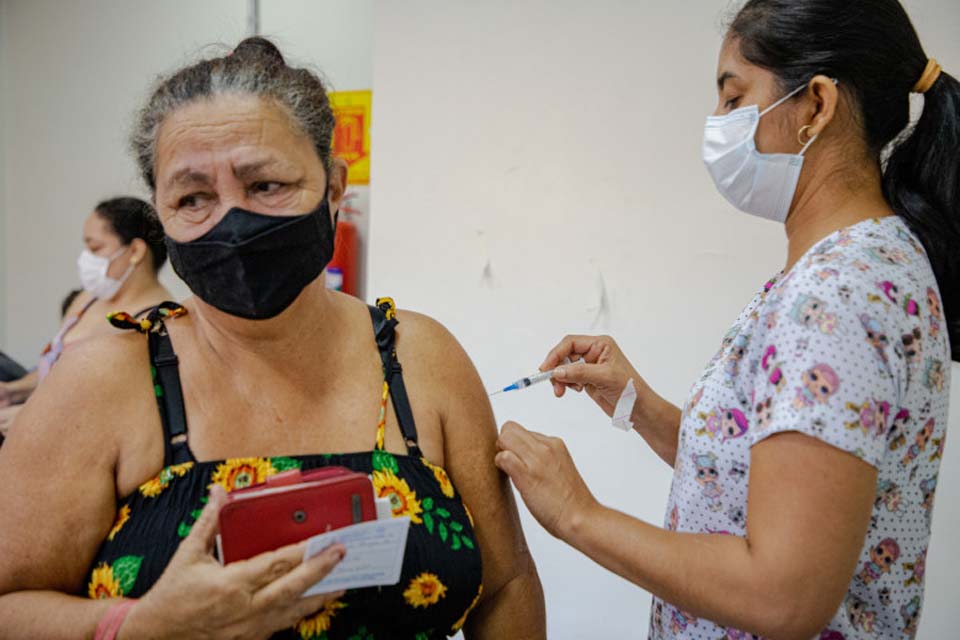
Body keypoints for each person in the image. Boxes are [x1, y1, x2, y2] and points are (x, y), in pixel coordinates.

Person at [0, 37, 544, 639]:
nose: (232, 222)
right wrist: (136, 628)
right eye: (193, 198)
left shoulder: (419, 358)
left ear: (333, 188)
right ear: (161, 212)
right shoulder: (100, 382)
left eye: (265, 185)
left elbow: (507, 584)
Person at [495, 1, 956, 638]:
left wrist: (578, 513)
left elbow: (782, 596)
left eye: (735, 99)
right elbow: (768, 482)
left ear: (817, 105)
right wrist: (637, 406)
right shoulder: (865, 261)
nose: (717, 125)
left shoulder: (834, 295)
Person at [0, 198, 171, 434]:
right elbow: (56, 367)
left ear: (135, 251)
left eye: (95, 249)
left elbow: (121, 412)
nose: (86, 259)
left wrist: (33, 415)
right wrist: (13, 391)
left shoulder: (153, 323)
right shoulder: (88, 299)